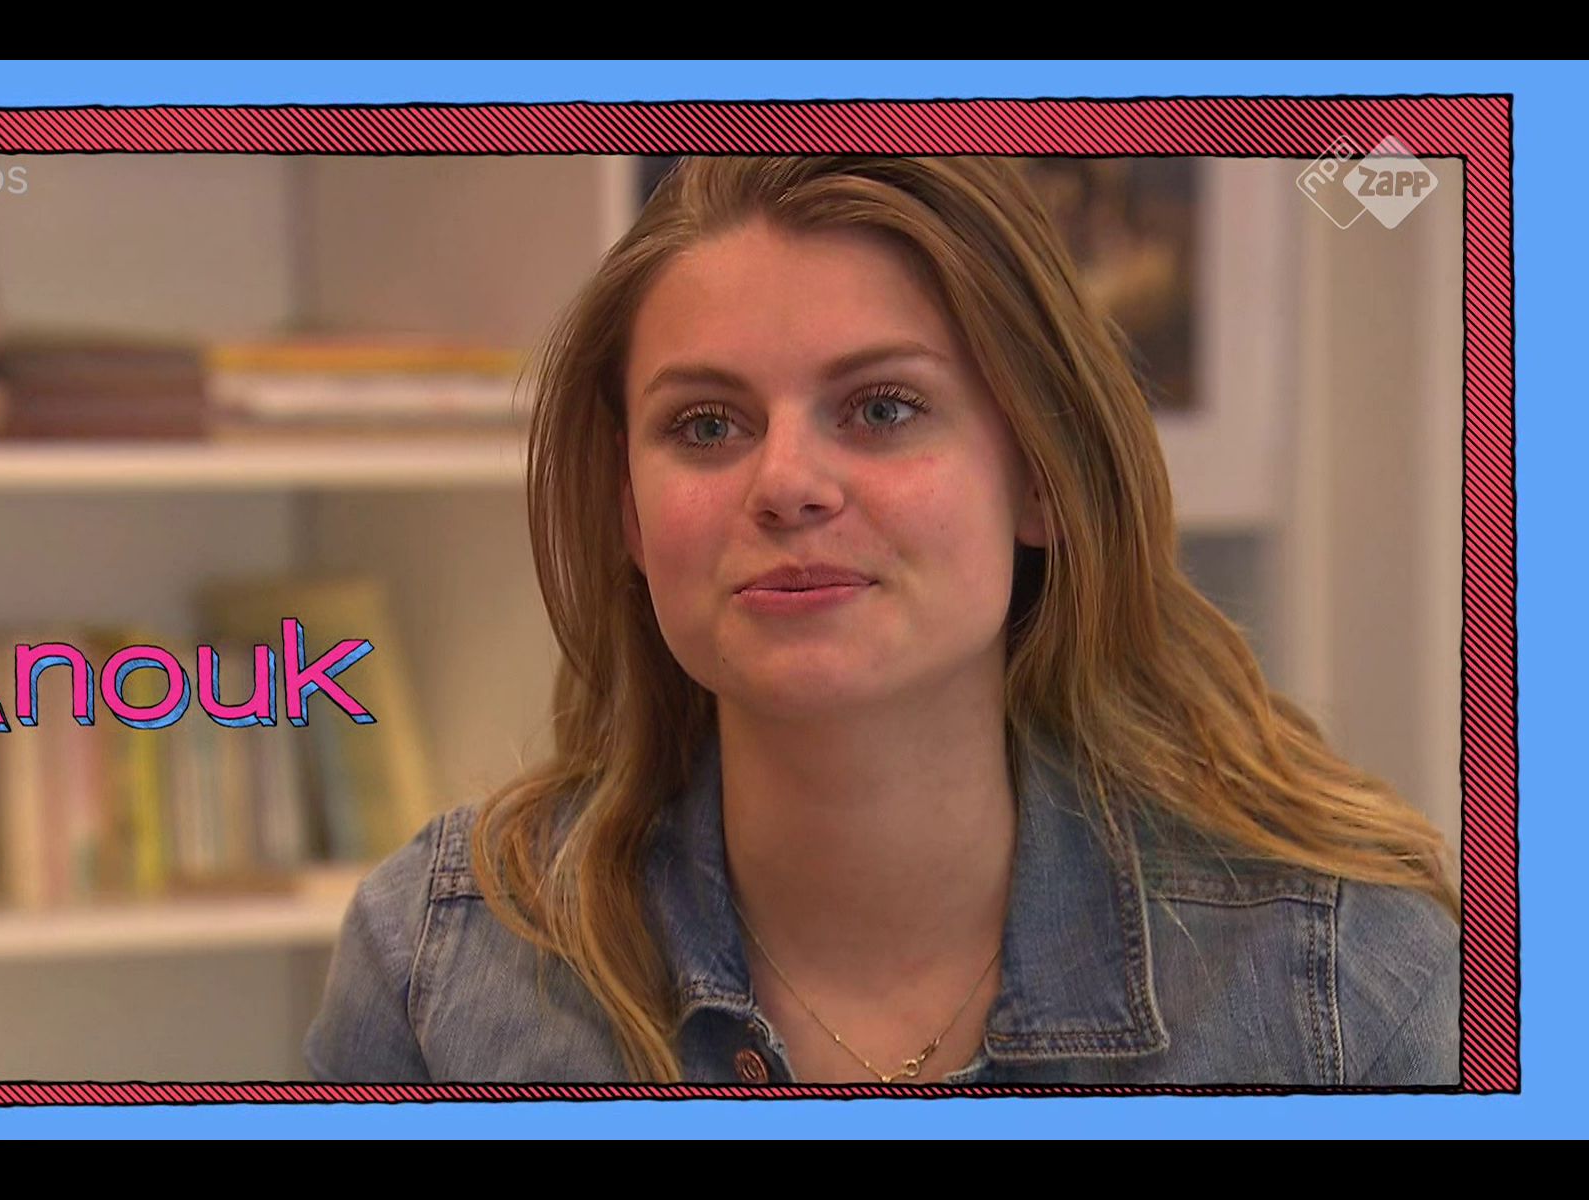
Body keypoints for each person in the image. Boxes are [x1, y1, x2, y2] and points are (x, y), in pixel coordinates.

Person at [303, 156, 1461, 1086]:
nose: (786, 484)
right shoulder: (442, 968)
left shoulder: (1337, 982)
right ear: (628, 514)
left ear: (1040, 476)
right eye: (706, 426)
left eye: (883, 408)